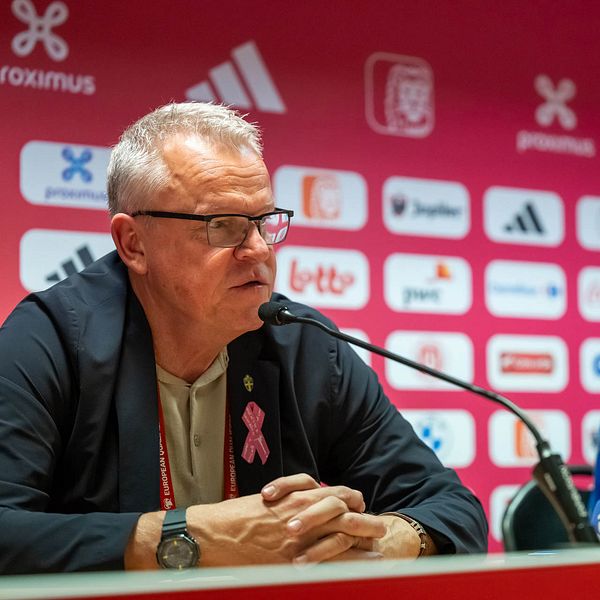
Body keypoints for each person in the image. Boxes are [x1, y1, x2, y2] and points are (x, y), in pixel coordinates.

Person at [0, 102, 488, 574]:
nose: (257, 250)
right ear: (133, 243)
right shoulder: (50, 340)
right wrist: (187, 539)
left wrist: (375, 540)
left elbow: (452, 508)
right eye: (223, 226)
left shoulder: (305, 344)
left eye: (264, 222)